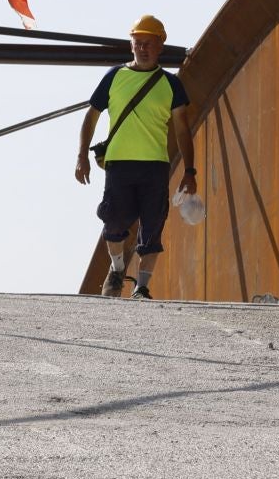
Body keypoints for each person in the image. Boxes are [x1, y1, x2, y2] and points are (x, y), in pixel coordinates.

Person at [74, 15, 197, 300]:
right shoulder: (115, 77)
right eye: (137, 43)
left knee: (152, 227)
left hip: (155, 166)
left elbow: (183, 129)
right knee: (114, 221)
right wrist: (81, 155)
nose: (142, 48)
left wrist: (190, 171)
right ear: (131, 45)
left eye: (148, 44)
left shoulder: (171, 84)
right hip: (119, 164)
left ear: (160, 47)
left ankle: (141, 287)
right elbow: (91, 116)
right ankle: (117, 270)